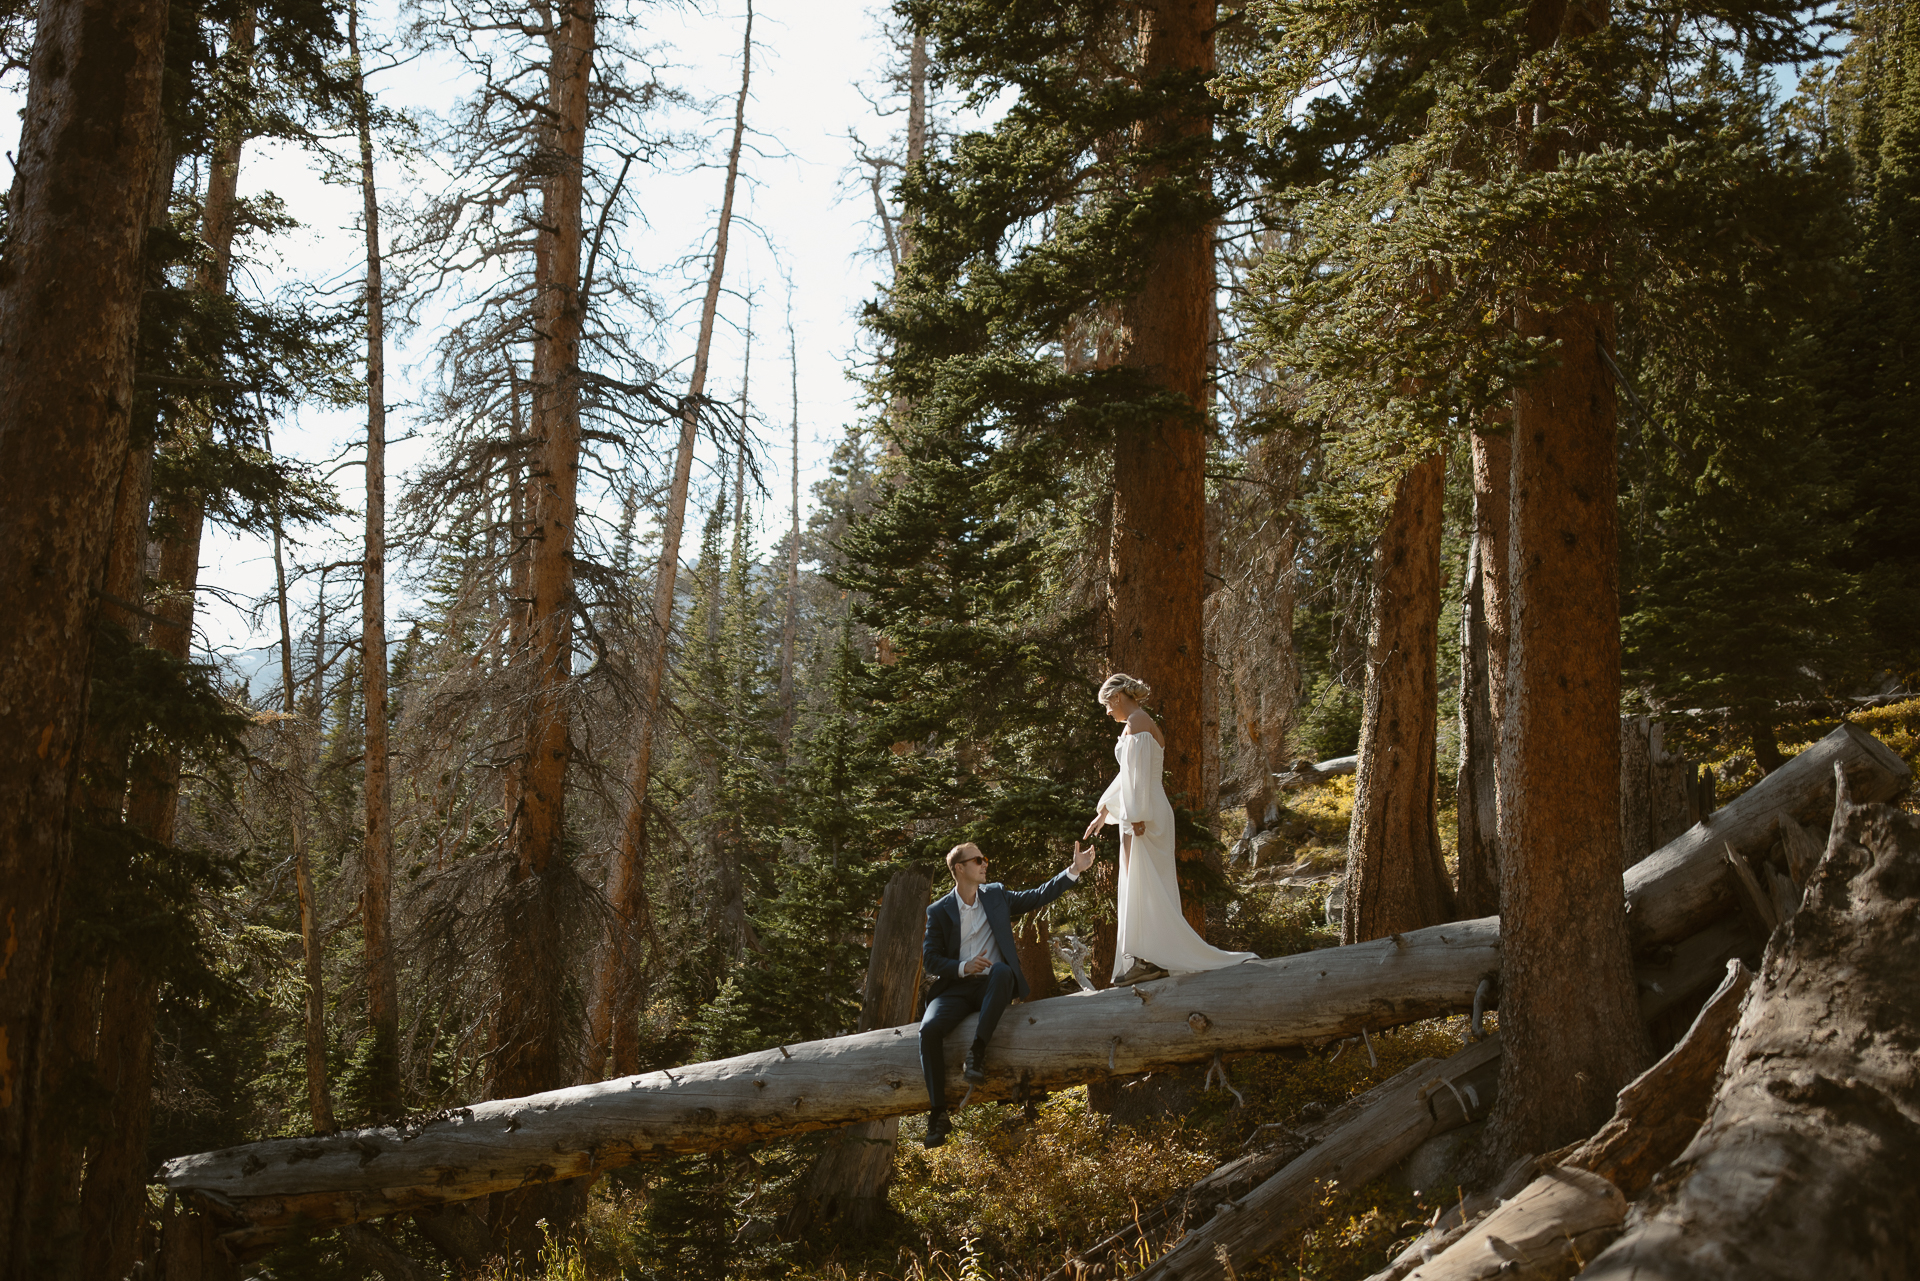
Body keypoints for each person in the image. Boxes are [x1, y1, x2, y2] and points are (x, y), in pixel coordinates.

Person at [919, 838, 1096, 1148]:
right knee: (929, 1030)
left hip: (993, 985)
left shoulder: (997, 895)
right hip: (956, 988)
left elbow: (1037, 896)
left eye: (984, 858)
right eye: (978, 860)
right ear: (959, 868)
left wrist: (1073, 870)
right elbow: (931, 959)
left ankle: (977, 1052)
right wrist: (964, 966)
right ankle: (937, 1115)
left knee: (1002, 970)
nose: (985, 863)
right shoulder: (939, 911)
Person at [1083, 673, 1256, 984]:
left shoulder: (1137, 721)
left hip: (1145, 815)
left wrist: (1136, 816)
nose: (1107, 711)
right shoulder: (1133, 723)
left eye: (1107, 704)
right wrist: (1105, 811)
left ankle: (1150, 958)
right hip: (1141, 812)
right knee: (1139, 884)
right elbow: (1127, 776)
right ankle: (1146, 957)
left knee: (1145, 884)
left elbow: (1137, 777)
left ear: (1119, 697)